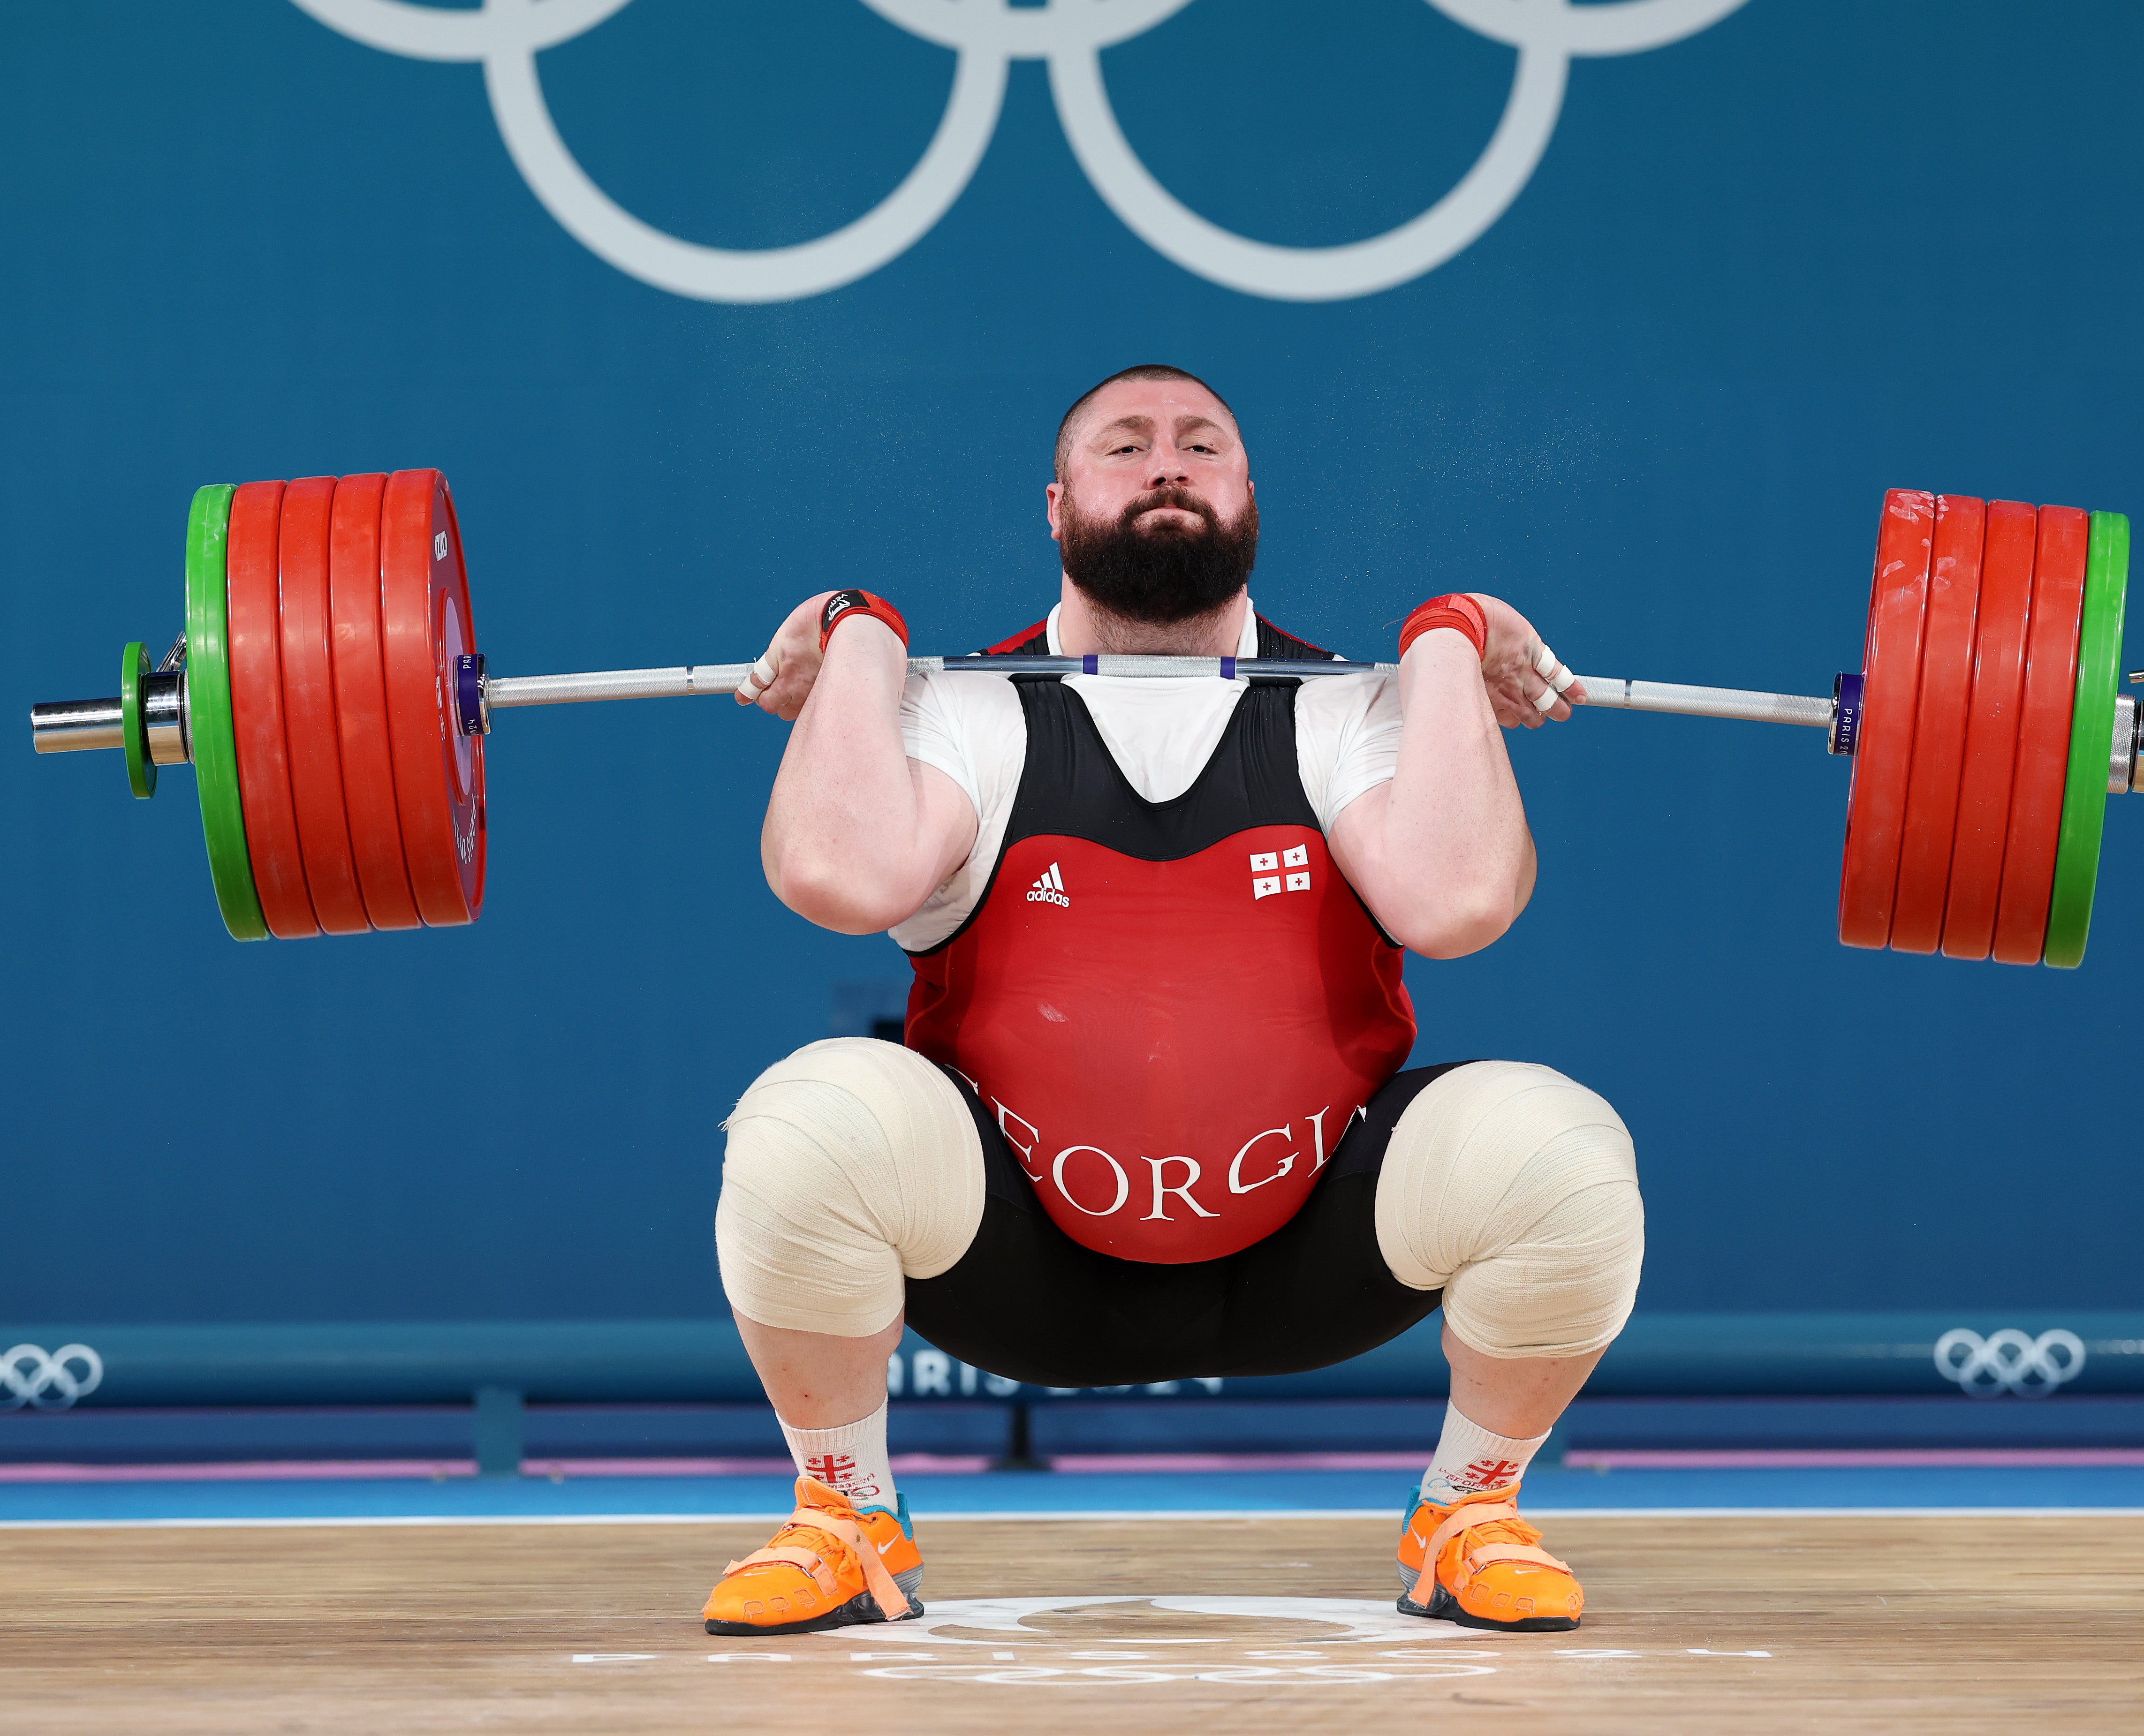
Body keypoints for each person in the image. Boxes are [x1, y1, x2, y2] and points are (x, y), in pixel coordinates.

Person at [703, 364, 1643, 1638]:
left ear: (1248, 495)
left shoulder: (1350, 706)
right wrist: (861, 636)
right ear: (1057, 504)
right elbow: (836, 874)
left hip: (1307, 1250)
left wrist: (1447, 637)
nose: (1166, 465)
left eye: (1202, 446)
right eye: (1126, 445)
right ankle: (843, 1514)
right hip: (1020, 1257)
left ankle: (1468, 1511)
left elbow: (1460, 903)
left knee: (1561, 1151)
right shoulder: (967, 709)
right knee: (807, 1117)